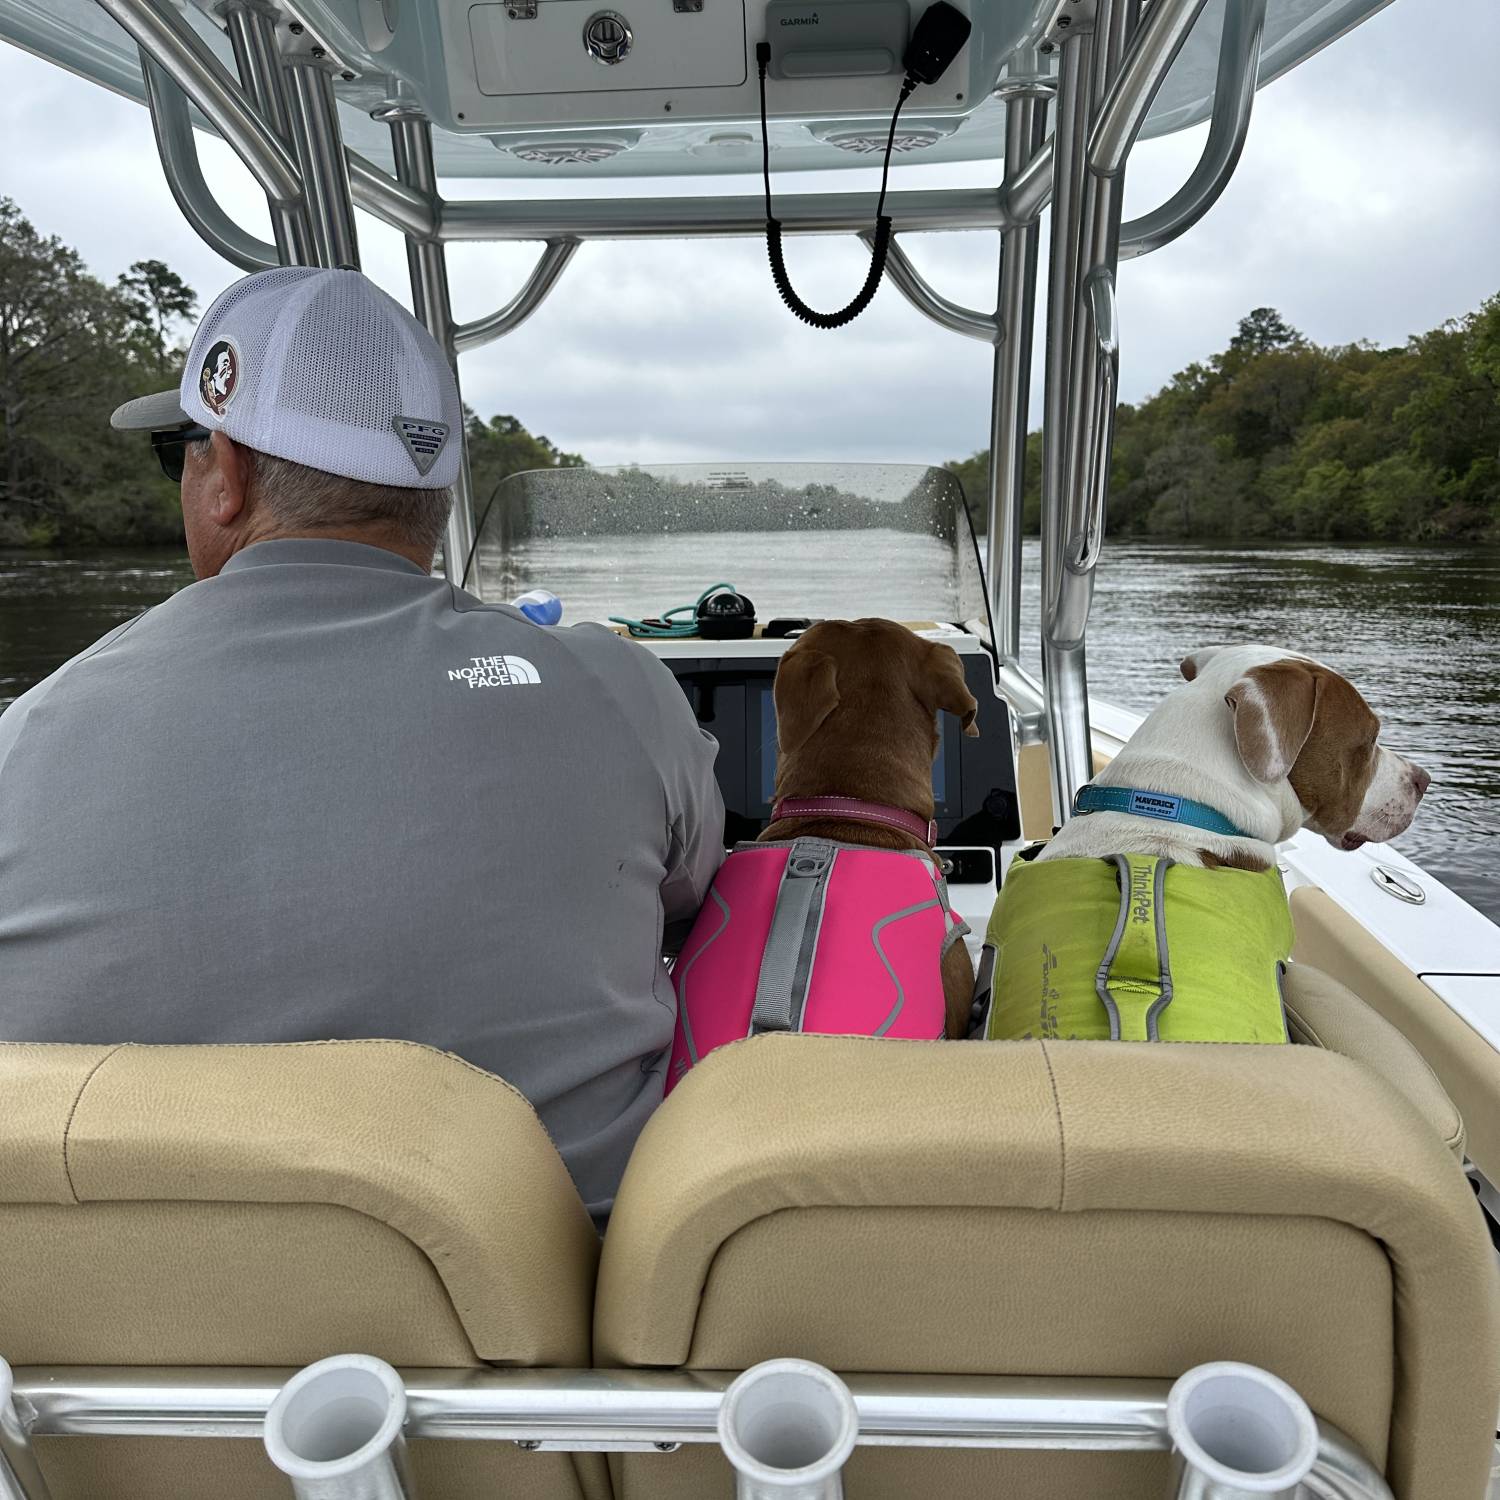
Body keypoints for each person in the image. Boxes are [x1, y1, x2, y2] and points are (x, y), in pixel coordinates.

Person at [0, 266, 724, 1227]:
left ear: (228, 472)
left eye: (176, 450)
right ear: (432, 492)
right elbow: (696, 889)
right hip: (545, 1340)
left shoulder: (22, 742)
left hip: (127, 1347)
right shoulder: (620, 690)